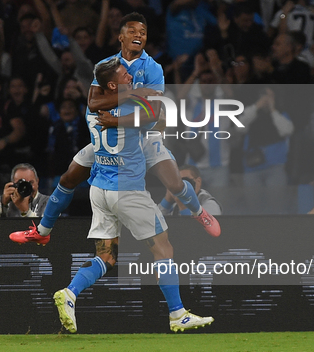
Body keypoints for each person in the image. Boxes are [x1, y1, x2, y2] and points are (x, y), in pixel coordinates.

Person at [10, 12, 220, 244]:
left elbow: (152, 114)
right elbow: (93, 102)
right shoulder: (105, 66)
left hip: (141, 137)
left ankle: (200, 213)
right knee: (68, 178)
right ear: (120, 36)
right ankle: (42, 232)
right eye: (132, 31)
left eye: (143, 32)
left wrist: (115, 115)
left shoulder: (153, 69)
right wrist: (132, 94)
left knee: (175, 183)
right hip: (109, 138)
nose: (138, 35)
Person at [47, 57, 214, 333]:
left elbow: (101, 100)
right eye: (125, 74)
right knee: (163, 248)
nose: (131, 76)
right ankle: (178, 314)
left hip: (99, 189)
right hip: (127, 190)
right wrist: (142, 95)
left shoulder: (94, 110)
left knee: (107, 256)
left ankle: (70, 293)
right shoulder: (132, 107)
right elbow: (155, 118)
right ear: (112, 84)